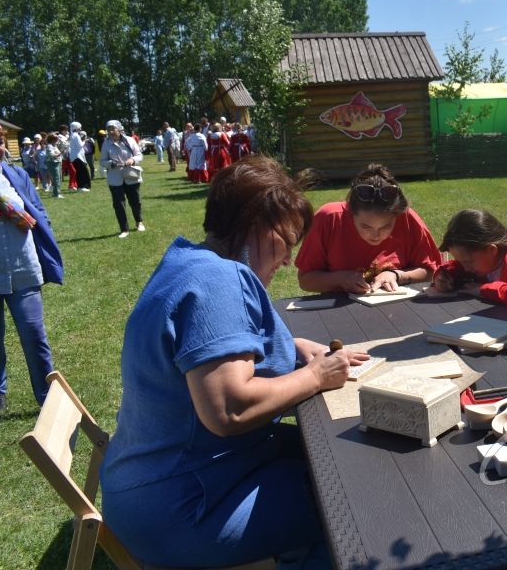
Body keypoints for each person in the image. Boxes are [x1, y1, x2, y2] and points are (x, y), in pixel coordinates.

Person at [100, 155, 368, 567]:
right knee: (349, 503)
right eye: (288, 242)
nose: (289, 260)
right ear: (258, 226)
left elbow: (203, 346)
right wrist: (316, 375)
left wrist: (292, 346)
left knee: (337, 458)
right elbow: (229, 408)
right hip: (183, 508)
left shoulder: (189, 262)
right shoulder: (220, 279)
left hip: (150, 488)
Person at [0, 122, 63, 413]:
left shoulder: (18, 175)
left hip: (23, 267)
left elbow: (39, 212)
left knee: (35, 335)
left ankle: (46, 396)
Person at [295, 163, 441, 293]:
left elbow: (432, 271)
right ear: (350, 213)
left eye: (386, 226)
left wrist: (397, 275)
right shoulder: (328, 218)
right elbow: (305, 280)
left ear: (396, 215)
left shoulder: (407, 218)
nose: (376, 235)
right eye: (365, 226)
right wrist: (340, 278)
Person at [433, 209, 507, 324]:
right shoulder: (481, 259)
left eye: (468, 262)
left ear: (491, 250)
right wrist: (445, 275)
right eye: (461, 262)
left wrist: (482, 289)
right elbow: (457, 267)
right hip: (500, 323)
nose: (465, 268)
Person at [99, 120, 145, 239]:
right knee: (118, 204)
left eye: (113, 129)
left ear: (119, 129)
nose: (110, 132)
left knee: (135, 201)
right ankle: (124, 229)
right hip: (115, 178)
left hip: (131, 175)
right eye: (108, 130)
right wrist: (110, 163)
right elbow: (102, 161)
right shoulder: (106, 144)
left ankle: (139, 221)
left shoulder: (130, 140)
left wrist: (132, 160)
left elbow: (139, 155)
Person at [68, 122, 91, 192]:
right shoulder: (76, 135)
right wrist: (85, 140)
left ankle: (80, 187)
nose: (80, 129)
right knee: (83, 172)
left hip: (74, 157)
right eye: (80, 127)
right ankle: (82, 187)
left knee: (79, 172)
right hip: (78, 157)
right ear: (77, 127)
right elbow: (80, 145)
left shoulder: (72, 135)